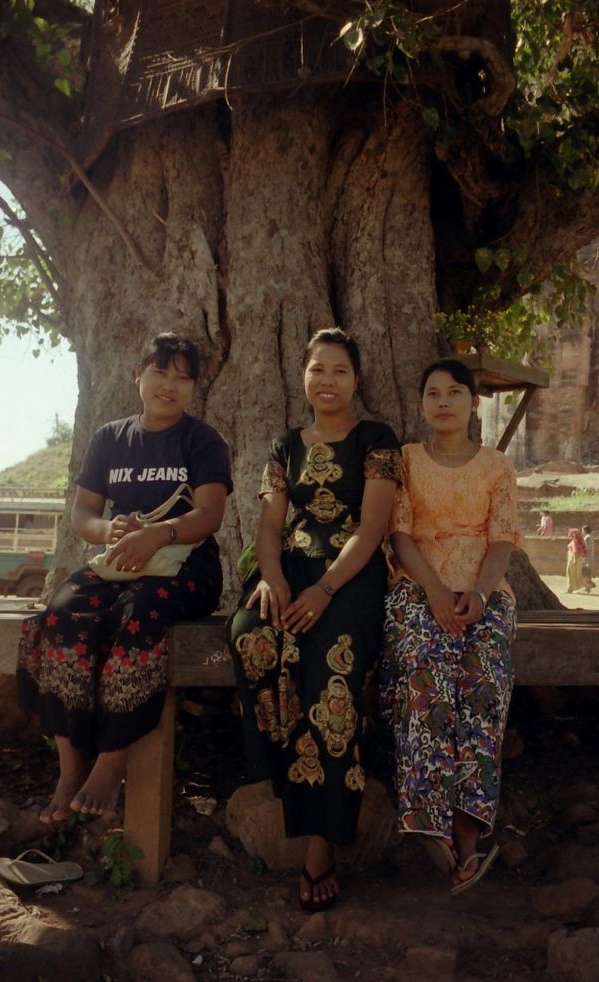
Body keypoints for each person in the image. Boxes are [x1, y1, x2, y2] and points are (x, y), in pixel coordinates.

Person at [18, 333, 232, 823]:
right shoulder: (109, 438)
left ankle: (113, 761)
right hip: (118, 562)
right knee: (60, 613)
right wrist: (107, 530)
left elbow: (210, 514)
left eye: (183, 378)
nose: (169, 386)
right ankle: (70, 766)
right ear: (138, 374)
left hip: (186, 568)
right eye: (160, 373)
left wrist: (156, 535)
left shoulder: (202, 440)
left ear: (194, 389)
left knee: (136, 616)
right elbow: (84, 513)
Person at [228, 328, 402, 913]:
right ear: (303, 378)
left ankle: (321, 842)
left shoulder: (376, 439)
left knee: (331, 672)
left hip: (350, 577)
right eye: (317, 370)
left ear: (356, 381)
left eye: (340, 371)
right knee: (251, 637)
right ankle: (288, 780)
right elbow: (270, 528)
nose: (327, 381)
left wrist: (326, 590)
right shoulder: (284, 446)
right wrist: (273, 578)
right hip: (292, 568)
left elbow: (373, 529)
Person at [382, 359, 522, 895]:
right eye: (433, 393)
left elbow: (502, 540)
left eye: (455, 392)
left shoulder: (497, 467)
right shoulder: (406, 461)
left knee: (483, 679)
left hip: (484, 593)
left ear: (473, 403)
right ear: (421, 404)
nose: (443, 401)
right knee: (425, 669)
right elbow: (399, 536)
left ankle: (467, 828)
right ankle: (428, 819)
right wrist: (436, 593)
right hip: (416, 590)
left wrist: (480, 596)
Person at [566, 528, 588, 594]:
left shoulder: (574, 541)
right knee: (577, 574)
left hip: (573, 559)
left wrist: (574, 560)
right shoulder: (581, 541)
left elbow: (575, 551)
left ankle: (570, 589)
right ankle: (586, 586)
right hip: (579, 559)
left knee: (570, 573)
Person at [581, 525, 595, 593]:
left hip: (587, 559)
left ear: (585, 531)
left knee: (584, 573)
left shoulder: (587, 538)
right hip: (590, 558)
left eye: (582, 530)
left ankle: (590, 584)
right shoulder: (590, 537)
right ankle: (587, 588)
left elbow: (586, 548)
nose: (582, 532)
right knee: (587, 573)